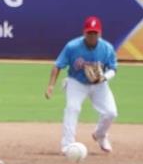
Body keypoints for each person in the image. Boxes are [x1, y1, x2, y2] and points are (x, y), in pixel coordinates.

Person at [44, 15, 118, 154]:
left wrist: (104, 77)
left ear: (99, 33)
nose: (92, 36)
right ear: (84, 32)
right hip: (76, 82)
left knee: (111, 112)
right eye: (89, 32)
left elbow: (113, 68)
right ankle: (67, 145)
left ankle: (100, 135)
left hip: (99, 84)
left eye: (94, 33)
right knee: (72, 108)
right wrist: (51, 85)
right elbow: (58, 65)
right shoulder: (72, 47)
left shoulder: (106, 48)